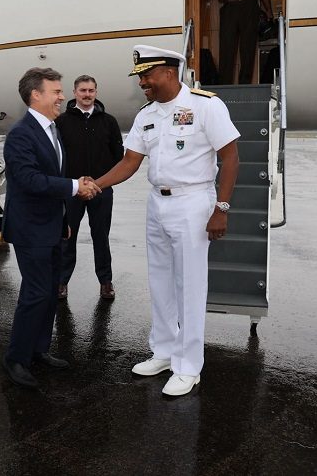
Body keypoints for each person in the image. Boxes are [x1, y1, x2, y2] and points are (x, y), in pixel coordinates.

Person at [94, 45, 240, 396]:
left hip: (193, 202)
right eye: (140, 77)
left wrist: (221, 208)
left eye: (147, 75)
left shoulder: (206, 106)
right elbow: (129, 162)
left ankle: (188, 367)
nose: (142, 82)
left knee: (189, 285)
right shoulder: (146, 114)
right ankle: (163, 351)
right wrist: (95, 185)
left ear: (169, 72)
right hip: (157, 203)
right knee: (159, 281)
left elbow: (231, 157)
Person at [1, 67, 100, 389]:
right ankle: (16, 359)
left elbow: (52, 176)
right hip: (30, 228)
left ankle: (39, 349)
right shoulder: (21, 134)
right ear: (36, 95)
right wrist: (75, 186)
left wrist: (64, 221)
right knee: (35, 293)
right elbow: (29, 180)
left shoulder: (51, 129)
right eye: (56, 91)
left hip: (52, 226)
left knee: (50, 292)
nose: (62, 96)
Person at [55, 75, 123, 300]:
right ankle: (61, 282)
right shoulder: (61, 122)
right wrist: (72, 183)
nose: (87, 95)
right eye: (83, 90)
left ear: (96, 92)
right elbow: (57, 156)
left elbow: (118, 156)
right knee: (67, 237)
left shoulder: (109, 122)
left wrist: (100, 181)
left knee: (101, 238)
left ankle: (106, 282)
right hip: (71, 190)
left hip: (101, 190)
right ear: (75, 92)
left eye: (91, 90)